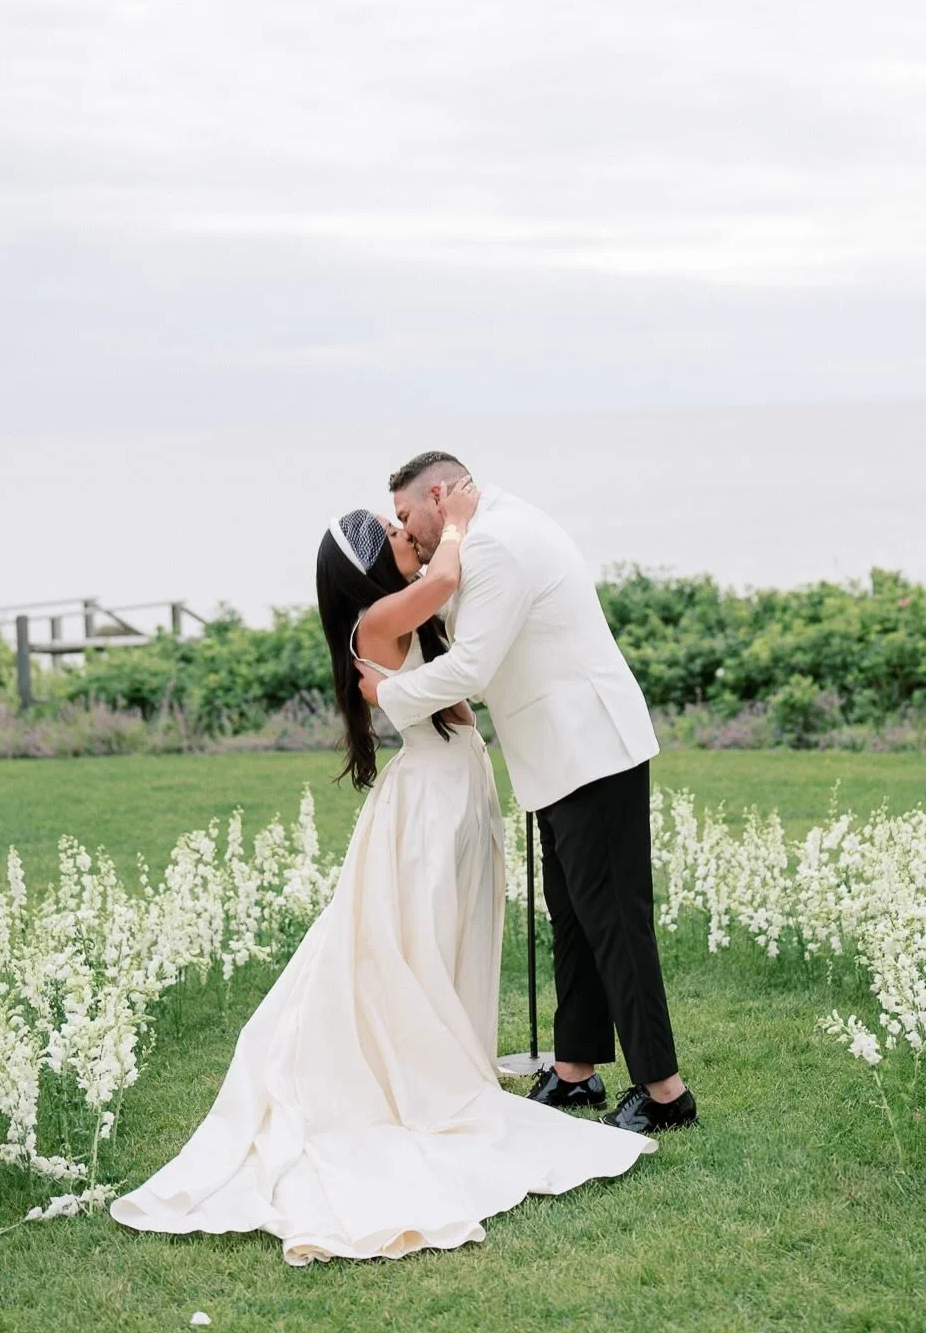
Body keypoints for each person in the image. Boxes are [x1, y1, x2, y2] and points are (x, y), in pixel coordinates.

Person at [110, 477, 653, 1266]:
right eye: (397, 533)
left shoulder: (397, 614)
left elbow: (466, 639)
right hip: (430, 801)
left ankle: (453, 1063)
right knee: (417, 945)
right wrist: (461, 524)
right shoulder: (380, 615)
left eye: (409, 522)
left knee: (440, 939)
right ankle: (426, 1081)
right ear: (372, 567)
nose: (413, 535)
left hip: (455, 785)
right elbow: (446, 582)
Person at [358, 451, 697, 1136]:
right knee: (574, 916)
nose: (407, 532)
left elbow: (474, 666)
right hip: (560, 755)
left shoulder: (498, 545)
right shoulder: (489, 532)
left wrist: (388, 695)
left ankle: (666, 1092)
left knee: (616, 924)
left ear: (440, 495)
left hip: (591, 751)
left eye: (406, 516)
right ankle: (575, 1071)